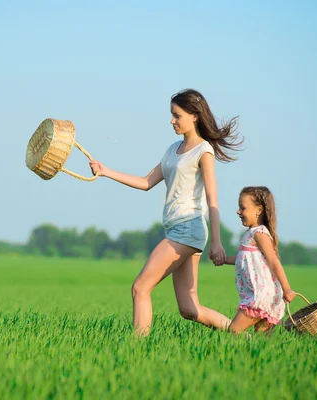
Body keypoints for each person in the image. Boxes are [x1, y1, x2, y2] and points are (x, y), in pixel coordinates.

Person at [89, 89, 242, 336]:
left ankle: (136, 349)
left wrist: (216, 242)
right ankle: (242, 335)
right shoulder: (173, 149)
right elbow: (147, 181)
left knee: (140, 287)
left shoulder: (203, 151)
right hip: (177, 229)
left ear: (194, 116)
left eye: (177, 115)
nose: (172, 120)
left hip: (188, 227)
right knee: (189, 309)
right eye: (172, 115)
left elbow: (213, 198)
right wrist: (106, 171)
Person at [221, 186, 297, 335]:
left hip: (261, 296)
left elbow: (274, 262)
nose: (238, 212)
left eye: (242, 208)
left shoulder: (259, 234)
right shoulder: (249, 234)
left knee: (234, 330)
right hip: (262, 295)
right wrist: (224, 260)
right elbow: (245, 259)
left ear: (258, 210)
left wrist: (287, 289)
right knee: (262, 339)